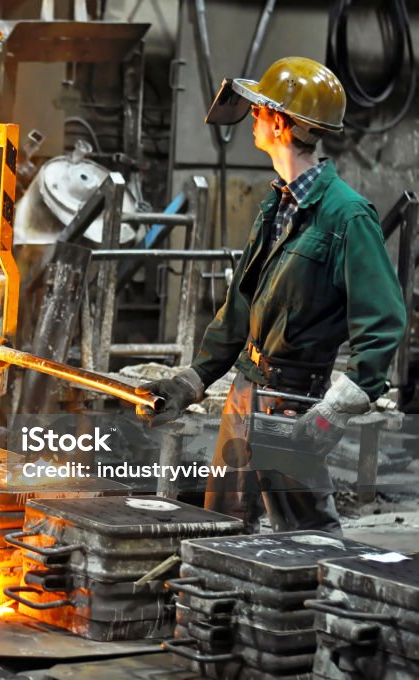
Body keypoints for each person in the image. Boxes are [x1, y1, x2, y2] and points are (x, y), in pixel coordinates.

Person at [136, 57, 406, 535]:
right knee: (218, 528)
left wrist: (334, 410)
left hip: (291, 403)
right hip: (245, 391)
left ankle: (322, 608)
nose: (253, 119)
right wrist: (193, 379)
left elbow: (383, 321)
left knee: (305, 537)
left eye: (261, 110)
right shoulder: (279, 204)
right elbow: (242, 306)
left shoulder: (346, 217)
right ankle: (218, 608)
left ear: (280, 122)